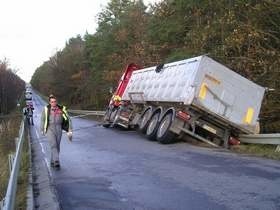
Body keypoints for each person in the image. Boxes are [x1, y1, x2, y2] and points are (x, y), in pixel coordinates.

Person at [41, 94, 72, 169]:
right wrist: (42, 129)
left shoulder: (61, 109)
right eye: (52, 102)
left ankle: (52, 161)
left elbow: (67, 119)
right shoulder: (46, 109)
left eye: (54, 102)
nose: (53, 103)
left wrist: (69, 129)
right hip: (50, 128)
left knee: (57, 146)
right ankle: (56, 161)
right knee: (53, 144)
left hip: (59, 128)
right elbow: (43, 119)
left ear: (56, 102)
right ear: (49, 102)